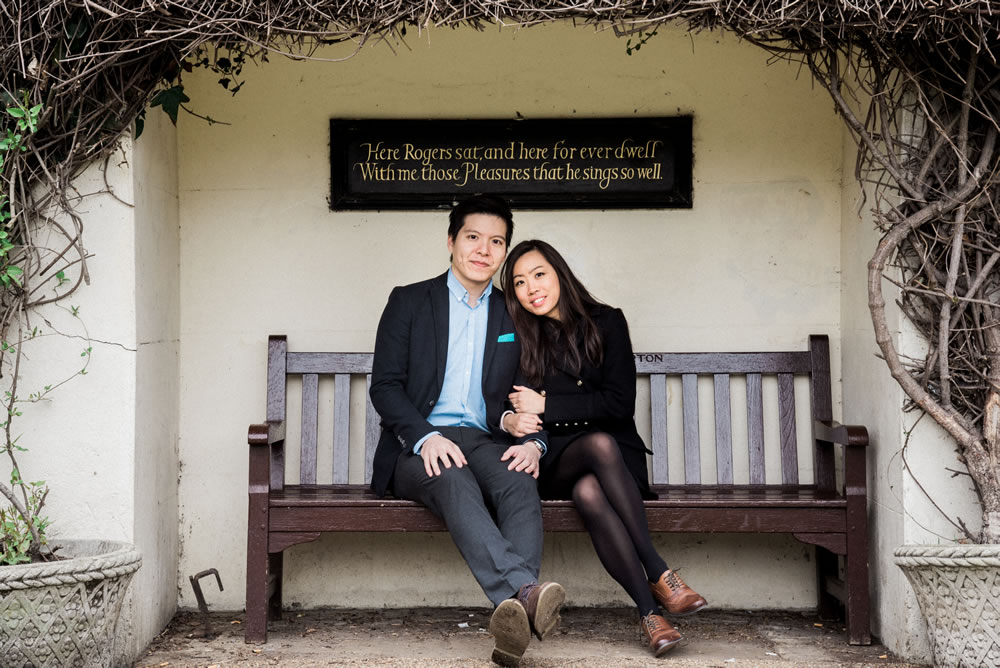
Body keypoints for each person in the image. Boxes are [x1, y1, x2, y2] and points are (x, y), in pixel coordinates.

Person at [369, 196, 564, 667]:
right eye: (473, 237)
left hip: (484, 440)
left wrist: (534, 443)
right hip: (416, 446)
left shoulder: (511, 313)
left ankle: (513, 625)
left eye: (496, 241)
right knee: (452, 475)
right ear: (452, 241)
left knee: (519, 479)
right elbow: (386, 387)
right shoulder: (410, 300)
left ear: (504, 251)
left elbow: (533, 388)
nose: (484, 249)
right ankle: (525, 593)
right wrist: (425, 437)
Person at [499, 239, 708, 658]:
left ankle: (651, 615)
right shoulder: (520, 336)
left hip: (614, 464)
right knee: (596, 442)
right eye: (519, 282)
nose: (531, 288)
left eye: (539, 274)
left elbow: (619, 404)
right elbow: (518, 408)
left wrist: (548, 405)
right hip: (553, 457)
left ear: (559, 272)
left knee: (591, 490)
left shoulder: (607, 322)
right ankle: (659, 571)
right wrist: (522, 416)